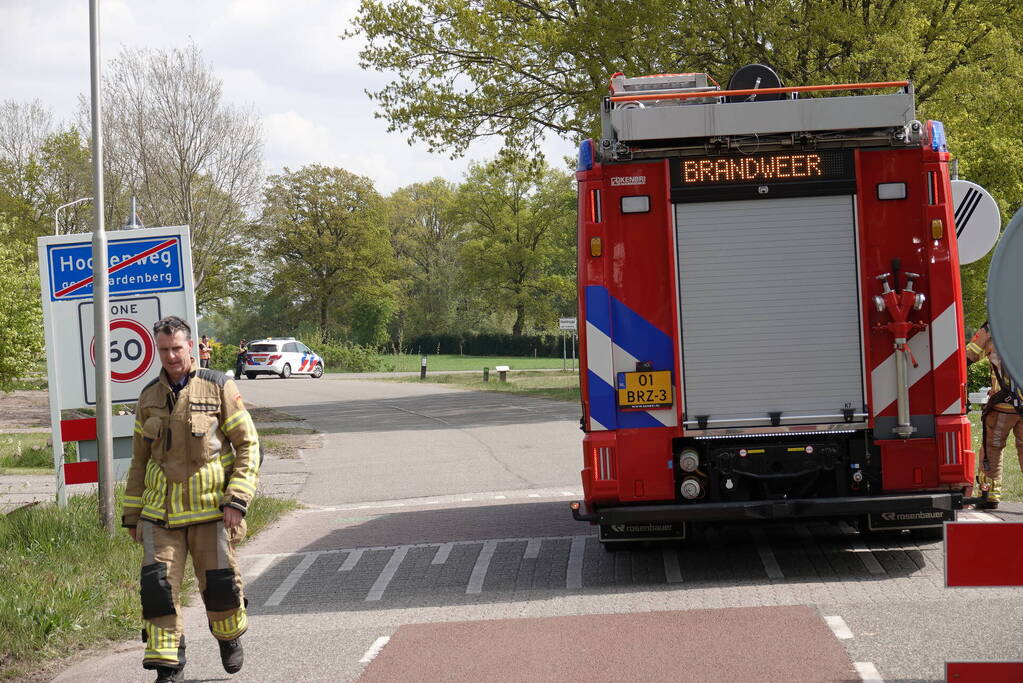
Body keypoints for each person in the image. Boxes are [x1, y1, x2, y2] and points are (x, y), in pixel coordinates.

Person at [122, 316, 259, 682]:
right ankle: (169, 665)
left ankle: (229, 638)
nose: (171, 356)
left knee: (220, 587)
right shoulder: (148, 397)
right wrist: (132, 516)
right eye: (164, 349)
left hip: (211, 513)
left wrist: (237, 499)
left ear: (191, 347)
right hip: (159, 516)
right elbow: (138, 462)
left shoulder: (219, 388)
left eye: (177, 348)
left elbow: (248, 446)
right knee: (157, 589)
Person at [966, 322, 1023, 510]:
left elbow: (969, 356)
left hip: (1003, 406)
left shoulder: (993, 327)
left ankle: (988, 494)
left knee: (993, 448)